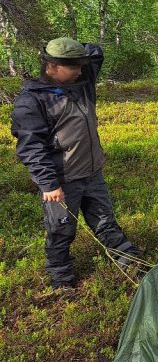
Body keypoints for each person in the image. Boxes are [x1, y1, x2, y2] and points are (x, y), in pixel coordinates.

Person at [10, 37, 143, 289]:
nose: (81, 70)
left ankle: (133, 266)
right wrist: (49, 184)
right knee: (61, 231)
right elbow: (31, 147)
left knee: (106, 222)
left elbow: (96, 52)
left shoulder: (82, 84)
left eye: (81, 65)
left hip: (92, 173)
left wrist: (69, 47)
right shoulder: (32, 101)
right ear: (51, 66)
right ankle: (62, 282)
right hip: (61, 181)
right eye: (73, 66)